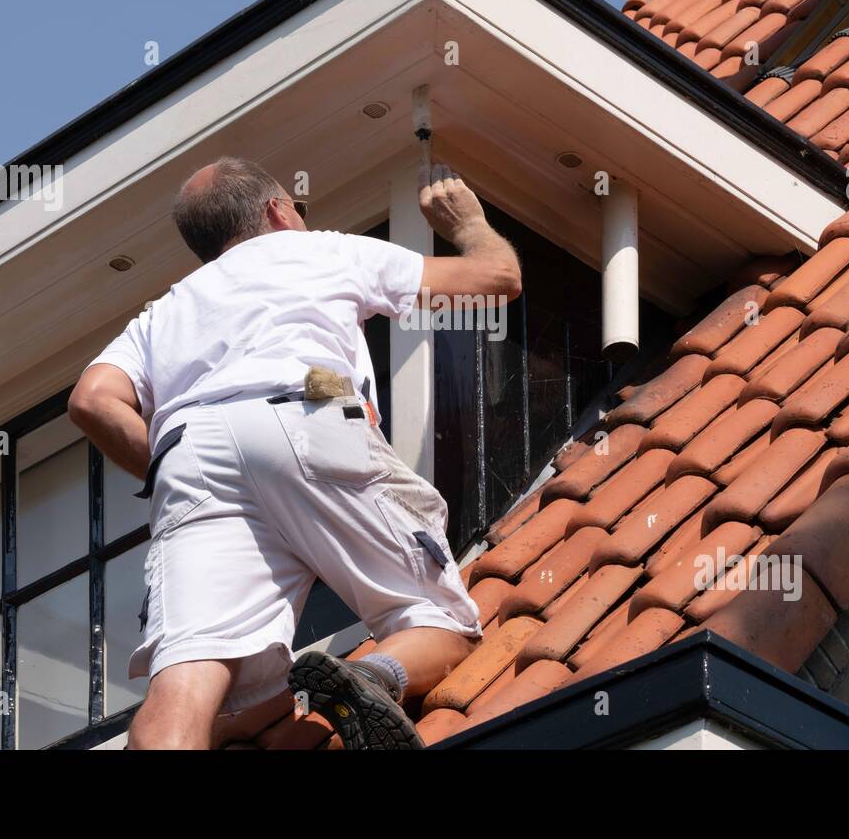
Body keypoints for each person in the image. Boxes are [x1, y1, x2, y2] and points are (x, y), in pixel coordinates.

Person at [69, 157, 521, 748]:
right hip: (307, 401)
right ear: (278, 212)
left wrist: (162, 462)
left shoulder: (169, 308)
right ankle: (368, 677)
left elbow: (91, 399)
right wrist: (466, 224)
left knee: (185, 676)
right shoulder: (322, 251)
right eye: (298, 210)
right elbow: (496, 278)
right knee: (440, 619)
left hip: (188, 447)